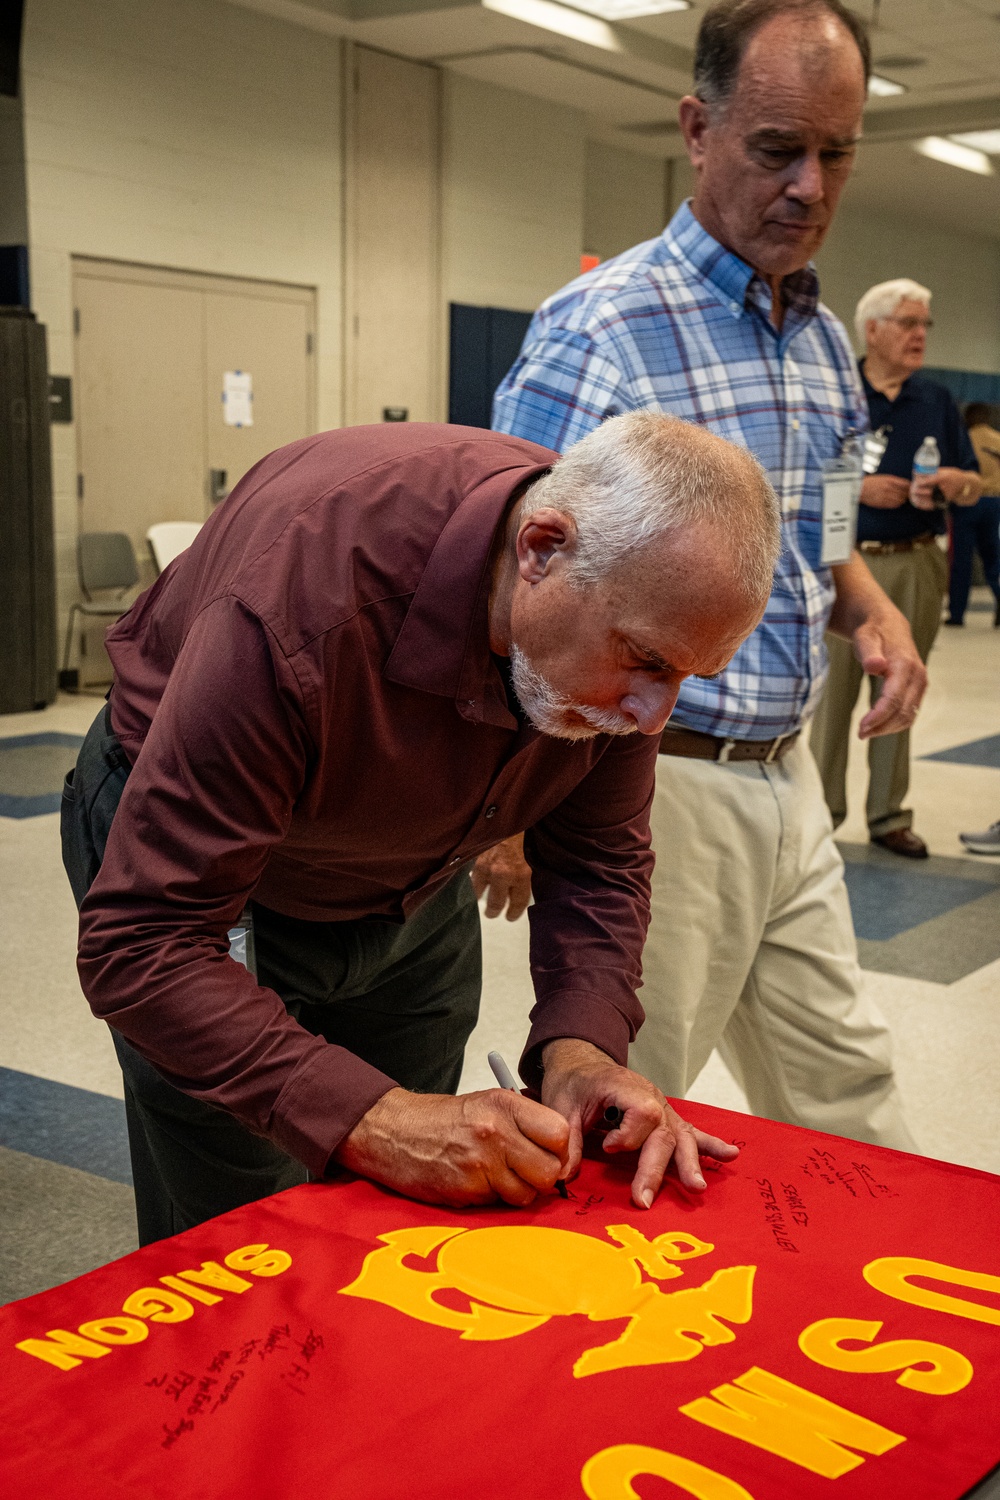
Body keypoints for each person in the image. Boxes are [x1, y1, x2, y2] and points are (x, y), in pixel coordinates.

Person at [62, 414, 779, 1245]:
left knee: (411, 1223)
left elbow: (599, 861)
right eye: (648, 661)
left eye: (690, 676)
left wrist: (582, 1047)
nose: (655, 712)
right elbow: (145, 943)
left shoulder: (620, 605)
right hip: (214, 876)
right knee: (244, 1231)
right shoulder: (301, 600)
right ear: (541, 550)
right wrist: (381, 1119)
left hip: (417, 879)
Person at [493, 0, 924, 1149]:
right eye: (776, 150)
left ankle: (896, 1315)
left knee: (849, 1096)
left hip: (790, 784)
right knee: (624, 1105)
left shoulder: (825, 343)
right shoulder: (603, 332)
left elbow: (819, 537)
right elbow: (517, 588)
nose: (809, 188)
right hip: (656, 783)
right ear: (697, 128)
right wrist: (504, 811)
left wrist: (872, 610)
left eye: (836, 155)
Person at [811, 280, 982, 858]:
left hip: (917, 562)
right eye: (908, 323)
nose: (919, 335)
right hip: (845, 562)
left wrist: (960, 484)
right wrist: (858, 488)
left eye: (926, 325)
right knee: (834, 696)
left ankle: (888, 815)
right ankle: (822, 814)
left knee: (903, 684)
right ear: (873, 330)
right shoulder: (836, 391)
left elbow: (975, 479)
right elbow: (798, 476)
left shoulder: (935, 400)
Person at [947, 403, 1000, 628]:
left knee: (962, 561)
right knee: (994, 559)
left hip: (968, 503)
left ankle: (957, 614)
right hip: (995, 504)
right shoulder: (998, 439)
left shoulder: (963, 439)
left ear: (968, 418)